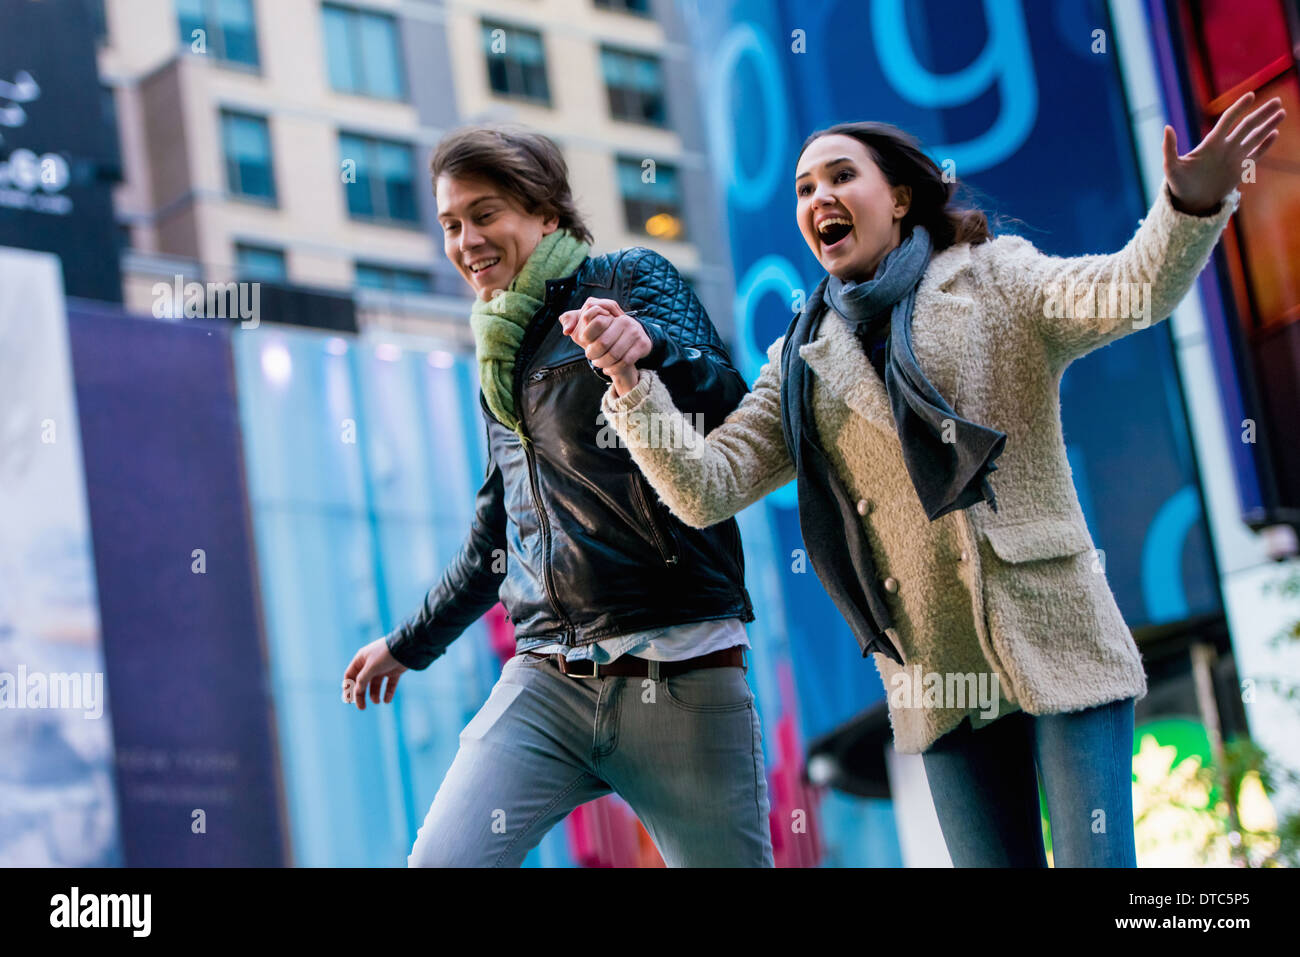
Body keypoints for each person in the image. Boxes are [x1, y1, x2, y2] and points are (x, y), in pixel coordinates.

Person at [578, 94, 1284, 866]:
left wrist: (1189, 201)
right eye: (805, 190)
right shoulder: (800, 361)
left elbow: (1131, 292)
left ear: (901, 197)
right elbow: (707, 487)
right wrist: (629, 381)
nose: (819, 199)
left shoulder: (994, 279)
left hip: (1054, 630)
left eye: (841, 176)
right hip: (934, 675)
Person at [342, 124, 774, 867]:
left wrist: (649, 349)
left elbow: (731, 406)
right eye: (451, 223)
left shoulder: (629, 279)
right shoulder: (499, 357)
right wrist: (407, 644)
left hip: (679, 675)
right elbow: (496, 542)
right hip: (547, 681)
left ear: (546, 213)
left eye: (485, 214)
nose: (467, 240)